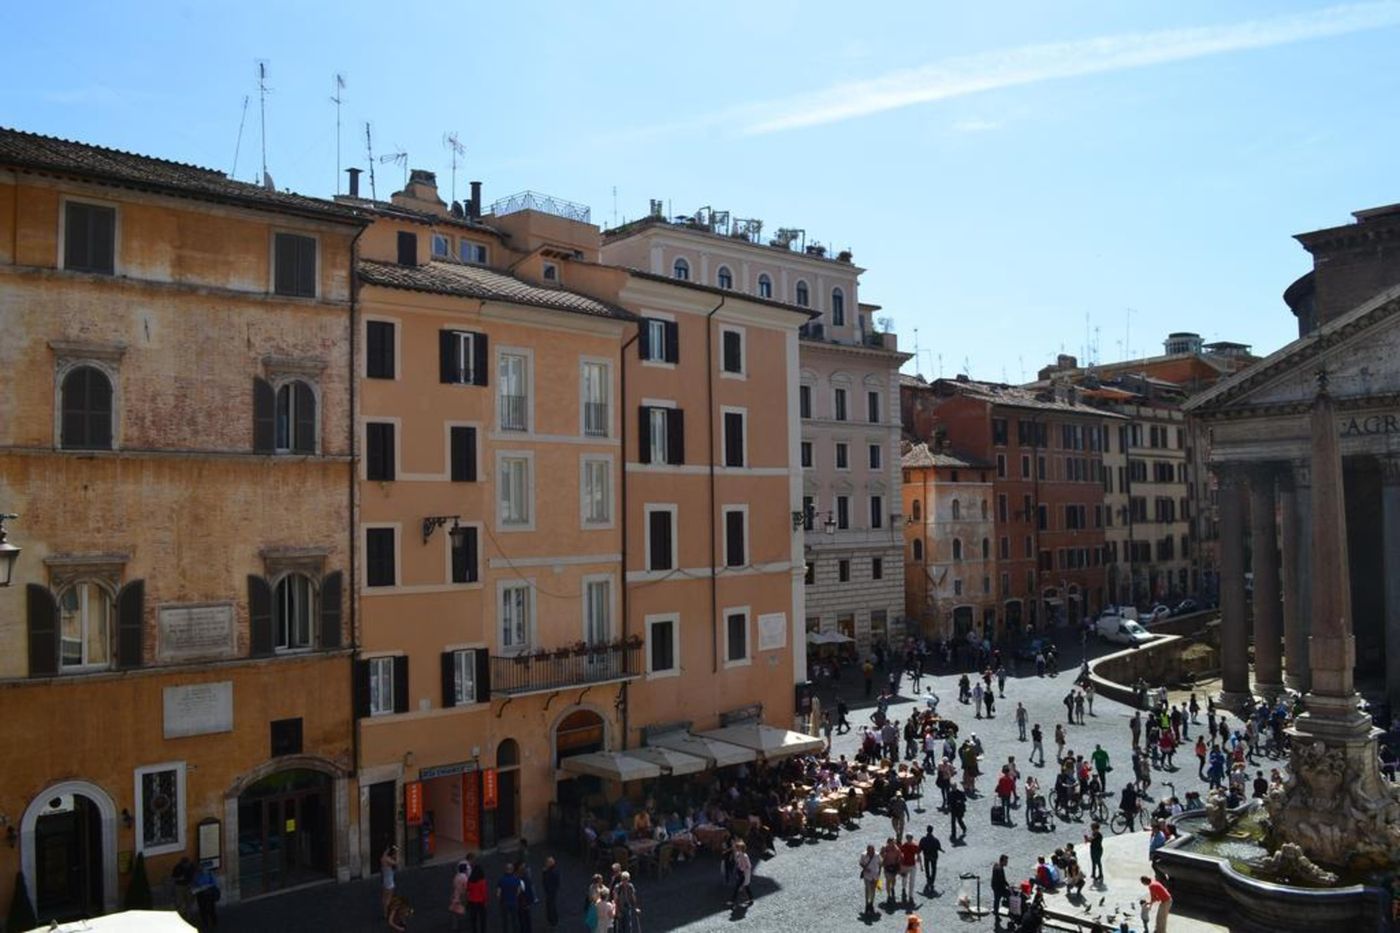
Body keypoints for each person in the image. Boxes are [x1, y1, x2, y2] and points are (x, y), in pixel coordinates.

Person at [497, 862, 524, 933]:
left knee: (505, 921)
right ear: (512, 870)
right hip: (514, 902)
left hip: (504, 903)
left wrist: (500, 900)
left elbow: (498, 894)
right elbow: (519, 891)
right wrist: (515, 896)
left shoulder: (501, 880)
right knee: (515, 920)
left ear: (505, 870)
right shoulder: (516, 879)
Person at [193, 861, 220, 932]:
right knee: (202, 909)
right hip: (200, 894)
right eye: (200, 868)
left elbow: (214, 883)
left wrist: (206, 886)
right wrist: (197, 888)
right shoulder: (196, 875)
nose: (201, 869)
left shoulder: (210, 874)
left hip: (208, 894)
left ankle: (214, 923)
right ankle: (205, 923)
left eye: (202, 868)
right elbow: (194, 884)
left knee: (211, 909)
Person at [918, 824, 943, 891]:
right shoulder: (935, 840)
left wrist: (917, 853)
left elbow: (920, 848)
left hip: (926, 856)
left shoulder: (923, 839)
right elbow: (938, 847)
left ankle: (928, 879)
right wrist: (942, 850)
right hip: (934, 856)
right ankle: (932, 880)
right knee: (934, 868)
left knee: (927, 868)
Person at [171, 855, 195, 922]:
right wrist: (179, 878)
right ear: (182, 864)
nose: (187, 866)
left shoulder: (191, 866)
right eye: (185, 864)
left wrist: (193, 883)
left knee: (189, 901)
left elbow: (194, 874)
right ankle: (180, 916)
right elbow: (173, 878)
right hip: (179, 886)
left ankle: (188, 916)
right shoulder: (177, 868)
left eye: (187, 864)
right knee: (179, 902)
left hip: (188, 885)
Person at [465, 864, 488, 933]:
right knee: (482, 919)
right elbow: (484, 892)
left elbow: (468, 890)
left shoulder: (470, 880)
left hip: (472, 901)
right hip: (480, 902)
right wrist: (486, 901)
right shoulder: (482, 881)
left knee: (473, 919)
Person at [859, 844, 881, 915]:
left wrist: (879, 874)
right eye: (869, 850)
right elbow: (861, 863)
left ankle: (871, 904)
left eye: (872, 850)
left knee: (873, 890)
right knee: (868, 890)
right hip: (867, 876)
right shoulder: (863, 855)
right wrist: (865, 868)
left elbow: (880, 864)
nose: (871, 852)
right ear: (867, 850)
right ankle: (867, 904)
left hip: (875, 876)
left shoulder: (877, 855)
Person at [449, 860, 470, 931]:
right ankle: (466, 924)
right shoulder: (465, 878)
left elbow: (454, 885)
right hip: (463, 895)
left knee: (455, 911)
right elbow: (467, 888)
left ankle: (455, 926)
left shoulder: (456, 876)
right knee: (465, 909)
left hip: (456, 894)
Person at [899, 833, 920, 902]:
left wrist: (920, 863)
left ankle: (911, 896)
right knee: (904, 879)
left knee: (912, 881)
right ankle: (904, 888)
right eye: (908, 838)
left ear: (911, 838)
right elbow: (900, 854)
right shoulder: (904, 845)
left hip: (912, 865)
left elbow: (918, 854)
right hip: (905, 865)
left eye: (910, 838)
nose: (909, 839)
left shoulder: (914, 845)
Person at [381, 844, 400, 918]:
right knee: (389, 898)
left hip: (385, 880)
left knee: (384, 898)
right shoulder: (388, 859)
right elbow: (396, 863)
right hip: (390, 881)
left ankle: (385, 913)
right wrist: (397, 853)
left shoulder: (383, 858)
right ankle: (389, 913)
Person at [990, 854, 1010, 922]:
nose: (1007, 863)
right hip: (998, 887)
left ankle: (996, 913)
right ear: (1002, 861)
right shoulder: (999, 869)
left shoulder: (997, 865)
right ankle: (997, 913)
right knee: (1007, 896)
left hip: (995, 886)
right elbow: (1002, 880)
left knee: (996, 900)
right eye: (1006, 861)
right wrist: (1008, 886)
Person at [541, 857, 559, 929]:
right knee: (550, 905)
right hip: (551, 891)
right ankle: (552, 920)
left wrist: (544, 872)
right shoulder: (553, 871)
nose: (546, 864)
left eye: (547, 862)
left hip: (551, 891)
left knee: (551, 905)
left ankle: (553, 920)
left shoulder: (551, 872)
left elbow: (546, 880)